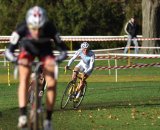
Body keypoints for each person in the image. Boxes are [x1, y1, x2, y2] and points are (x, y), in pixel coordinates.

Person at [5, 6, 67, 130]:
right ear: (28, 24)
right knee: (24, 77)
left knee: (52, 82)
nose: (37, 32)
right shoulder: (21, 28)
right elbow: (8, 51)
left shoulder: (50, 27)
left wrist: (56, 60)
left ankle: (48, 119)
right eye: (34, 28)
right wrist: (17, 60)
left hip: (45, 51)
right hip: (27, 50)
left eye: (40, 28)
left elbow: (63, 49)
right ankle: (22, 115)